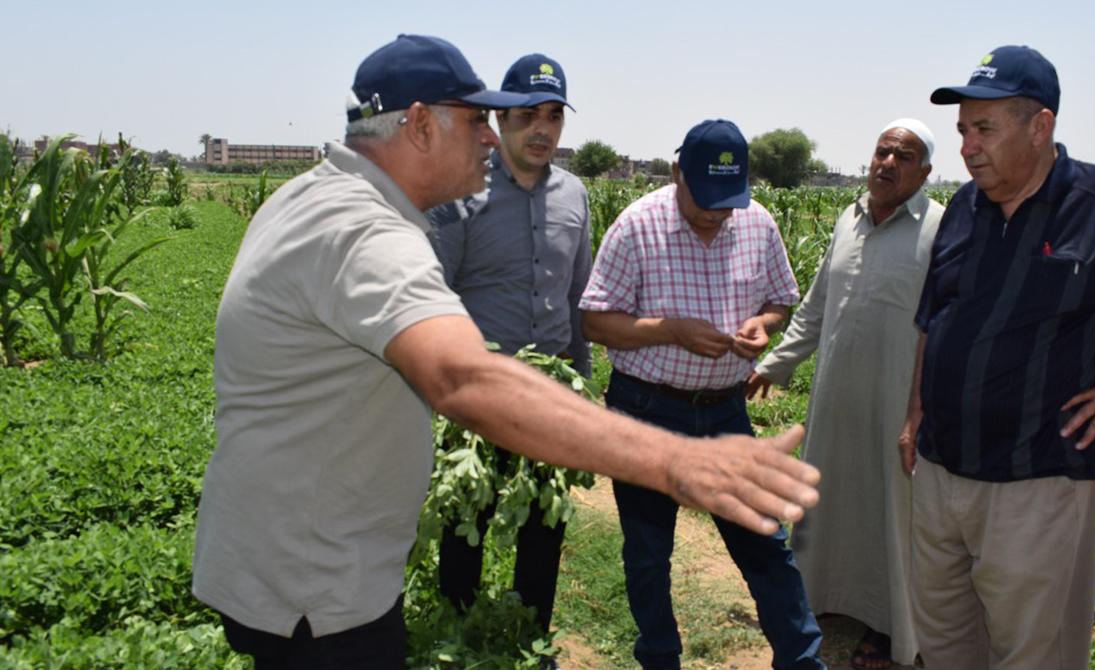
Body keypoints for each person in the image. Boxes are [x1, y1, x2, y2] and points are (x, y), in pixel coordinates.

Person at [191, 36, 822, 670]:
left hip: (305, 558)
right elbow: (463, 377)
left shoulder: (318, 196)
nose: (490, 138)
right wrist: (680, 462)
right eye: (474, 120)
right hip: (316, 579)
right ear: (417, 126)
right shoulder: (364, 232)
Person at [898, 45, 1095, 669]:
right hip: (942, 471)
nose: (967, 148)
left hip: (1039, 483)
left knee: (1034, 654)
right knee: (947, 644)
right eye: (962, 132)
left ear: (1041, 125)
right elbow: (934, 318)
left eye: (984, 129)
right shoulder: (962, 210)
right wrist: (915, 410)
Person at [579, 119, 826, 670]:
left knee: (764, 541)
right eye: (707, 199)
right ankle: (660, 659)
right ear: (677, 175)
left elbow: (781, 301)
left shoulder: (757, 222)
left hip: (724, 410)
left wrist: (763, 324)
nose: (718, 214)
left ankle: (802, 660)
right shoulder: (637, 226)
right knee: (648, 552)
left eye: (728, 199)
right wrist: (671, 330)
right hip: (646, 409)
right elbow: (595, 322)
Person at [747, 118, 943, 669]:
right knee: (829, 495)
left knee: (892, 510)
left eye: (903, 157)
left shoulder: (938, 230)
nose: (887, 164)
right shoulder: (848, 219)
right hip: (836, 396)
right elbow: (815, 307)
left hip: (897, 400)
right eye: (882, 152)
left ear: (924, 172)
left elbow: (945, 326)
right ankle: (824, 598)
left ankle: (888, 626)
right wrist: (775, 364)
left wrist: (924, 407)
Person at [426, 53, 590, 639]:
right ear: (501, 120)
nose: (542, 129)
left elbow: (577, 297)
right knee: (467, 517)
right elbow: (433, 293)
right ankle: (459, 628)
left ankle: (530, 633)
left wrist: (583, 384)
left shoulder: (575, 196)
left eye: (554, 116)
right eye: (528, 116)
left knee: (544, 523)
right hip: (476, 391)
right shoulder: (462, 194)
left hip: (550, 390)